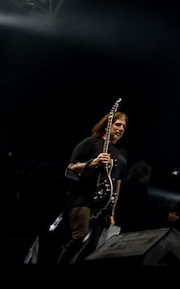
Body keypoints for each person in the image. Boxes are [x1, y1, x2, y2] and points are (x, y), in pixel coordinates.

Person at [57, 107, 129, 264]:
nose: (121, 128)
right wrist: (92, 163)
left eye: (123, 126)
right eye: (118, 124)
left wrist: (112, 212)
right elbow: (70, 168)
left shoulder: (122, 153)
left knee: (95, 244)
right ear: (107, 125)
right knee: (79, 237)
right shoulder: (91, 142)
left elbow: (117, 183)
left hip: (104, 205)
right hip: (83, 198)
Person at [114, 160, 180, 233]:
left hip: (125, 225)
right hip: (136, 226)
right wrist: (165, 215)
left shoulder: (125, 185)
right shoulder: (140, 187)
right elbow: (145, 207)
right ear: (145, 174)